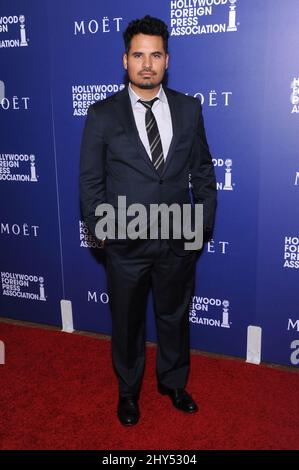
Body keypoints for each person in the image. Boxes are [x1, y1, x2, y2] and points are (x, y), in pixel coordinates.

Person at [80, 15, 217, 426]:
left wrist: (200, 228)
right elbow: (91, 180)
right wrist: (103, 234)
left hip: (177, 237)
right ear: (124, 60)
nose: (146, 63)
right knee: (126, 323)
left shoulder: (189, 108)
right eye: (138, 54)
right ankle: (128, 392)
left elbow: (204, 173)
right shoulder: (102, 114)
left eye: (155, 54)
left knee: (174, 316)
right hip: (125, 239)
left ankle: (174, 383)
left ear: (166, 59)